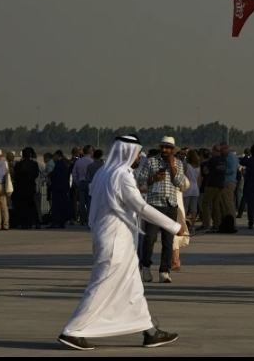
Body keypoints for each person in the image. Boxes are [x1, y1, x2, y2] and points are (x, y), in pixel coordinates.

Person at [58, 135, 182, 350]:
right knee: (102, 286)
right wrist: (175, 226)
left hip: (115, 238)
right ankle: (72, 331)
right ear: (128, 153)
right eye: (137, 153)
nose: (139, 157)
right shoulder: (122, 175)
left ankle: (150, 332)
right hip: (115, 241)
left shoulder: (104, 173)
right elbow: (140, 207)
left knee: (133, 287)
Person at [138, 137, 186, 284]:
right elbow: (141, 181)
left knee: (168, 241)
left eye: (168, 148)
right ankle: (146, 266)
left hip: (170, 205)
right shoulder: (151, 161)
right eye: (163, 147)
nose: (165, 150)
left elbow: (180, 183)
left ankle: (164, 271)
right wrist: (153, 179)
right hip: (154, 205)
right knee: (150, 239)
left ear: (172, 150)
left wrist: (172, 167)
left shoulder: (178, 163)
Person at [13, 147, 42, 229]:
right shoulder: (34, 164)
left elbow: (16, 176)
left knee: (23, 206)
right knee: (32, 205)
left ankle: (24, 223)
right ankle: (36, 222)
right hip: (31, 187)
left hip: (21, 187)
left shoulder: (19, 164)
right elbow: (36, 174)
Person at [199, 145, 225, 231]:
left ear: (215, 151)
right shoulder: (224, 160)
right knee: (216, 204)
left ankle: (206, 223)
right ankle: (216, 223)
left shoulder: (212, 160)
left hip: (211, 184)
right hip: (220, 184)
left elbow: (205, 170)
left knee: (205, 203)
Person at [48, 150, 73, 228]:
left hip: (58, 188)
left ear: (58, 156)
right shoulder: (63, 164)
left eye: (54, 156)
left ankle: (57, 221)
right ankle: (61, 221)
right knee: (62, 205)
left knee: (57, 205)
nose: (53, 158)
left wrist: (50, 176)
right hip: (63, 188)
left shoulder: (59, 164)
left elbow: (55, 175)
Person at [72, 145, 93, 225]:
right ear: (90, 152)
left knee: (81, 202)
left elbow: (74, 174)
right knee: (89, 202)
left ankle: (82, 219)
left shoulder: (78, 161)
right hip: (90, 183)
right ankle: (89, 219)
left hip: (81, 183)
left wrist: (77, 182)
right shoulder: (92, 161)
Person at [182, 149, 201, 231]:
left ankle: (184, 224)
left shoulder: (187, 166)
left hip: (188, 186)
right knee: (194, 208)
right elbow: (199, 179)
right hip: (195, 186)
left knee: (185, 207)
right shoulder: (198, 167)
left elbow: (183, 176)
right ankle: (193, 225)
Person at [221, 143, 239, 222]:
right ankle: (227, 222)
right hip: (226, 182)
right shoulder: (227, 157)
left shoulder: (232, 157)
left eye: (221, 150)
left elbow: (232, 170)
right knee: (225, 204)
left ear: (225, 148)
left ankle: (232, 222)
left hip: (229, 182)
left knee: (229, 203)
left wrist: (222, 170)